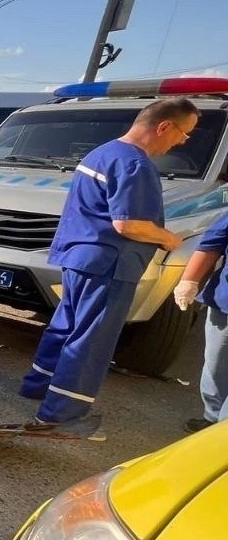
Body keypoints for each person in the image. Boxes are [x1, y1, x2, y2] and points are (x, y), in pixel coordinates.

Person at [19, 96, 198, 425]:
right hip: (109, 265)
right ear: (164, 126)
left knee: (66, 327)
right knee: (91, 341)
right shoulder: (136, 164)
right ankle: (62, 414)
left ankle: (38, 386)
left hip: (80, 258)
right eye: (184, 134)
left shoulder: (102, 152)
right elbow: (128, 224)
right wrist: (168, 238)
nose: (182, 142)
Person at [172, 209, 228, 432]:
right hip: (225, 305)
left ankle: (220, 433)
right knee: (216, 365)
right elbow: (211, 245)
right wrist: (189, 281)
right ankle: (213, 416)